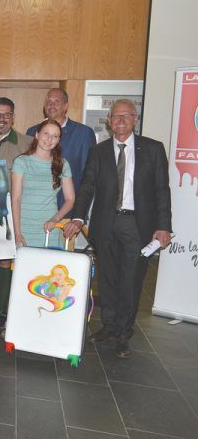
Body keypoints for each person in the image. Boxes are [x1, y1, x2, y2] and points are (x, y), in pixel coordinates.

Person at [64, 99, 171, 359]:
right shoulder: (98, 151)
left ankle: (124, 333)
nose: (121, 120)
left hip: (138, 226)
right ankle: (109, 326)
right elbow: (87, 186)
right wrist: (78, 218)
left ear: (135, 119)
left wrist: (164, 227)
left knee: (131, 281)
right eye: (116, 116)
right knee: (109, 279)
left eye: (127, 116)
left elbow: (161, 190)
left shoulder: (153, 149)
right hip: (105, 225)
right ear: (109, 121)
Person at [0, 97, 33, 329]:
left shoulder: (27, 144)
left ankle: (3, 309)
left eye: (6, 115)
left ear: (13, 118)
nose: (1, 119)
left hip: (8, 212)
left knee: (5, 261)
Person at [11, 119, 75, 249]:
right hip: (23, 228)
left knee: (49, 269)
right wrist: (17, 232)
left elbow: (70, 199)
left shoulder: (63, 164)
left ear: (58, 140)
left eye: (55, 136)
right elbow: (15, 199)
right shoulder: (21, 162)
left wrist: (55, 219)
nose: (49, 139)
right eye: (46, 134)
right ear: (37, 134)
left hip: (49, 228)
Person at [26, 88, 96, 207]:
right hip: (36, 207)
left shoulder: (83, 133)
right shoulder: (32, 132)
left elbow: (89, 177)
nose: (51, 105)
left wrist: (80, 214)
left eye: (56, 102)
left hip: (68, 210)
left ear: (65, 106)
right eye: (48, 101)